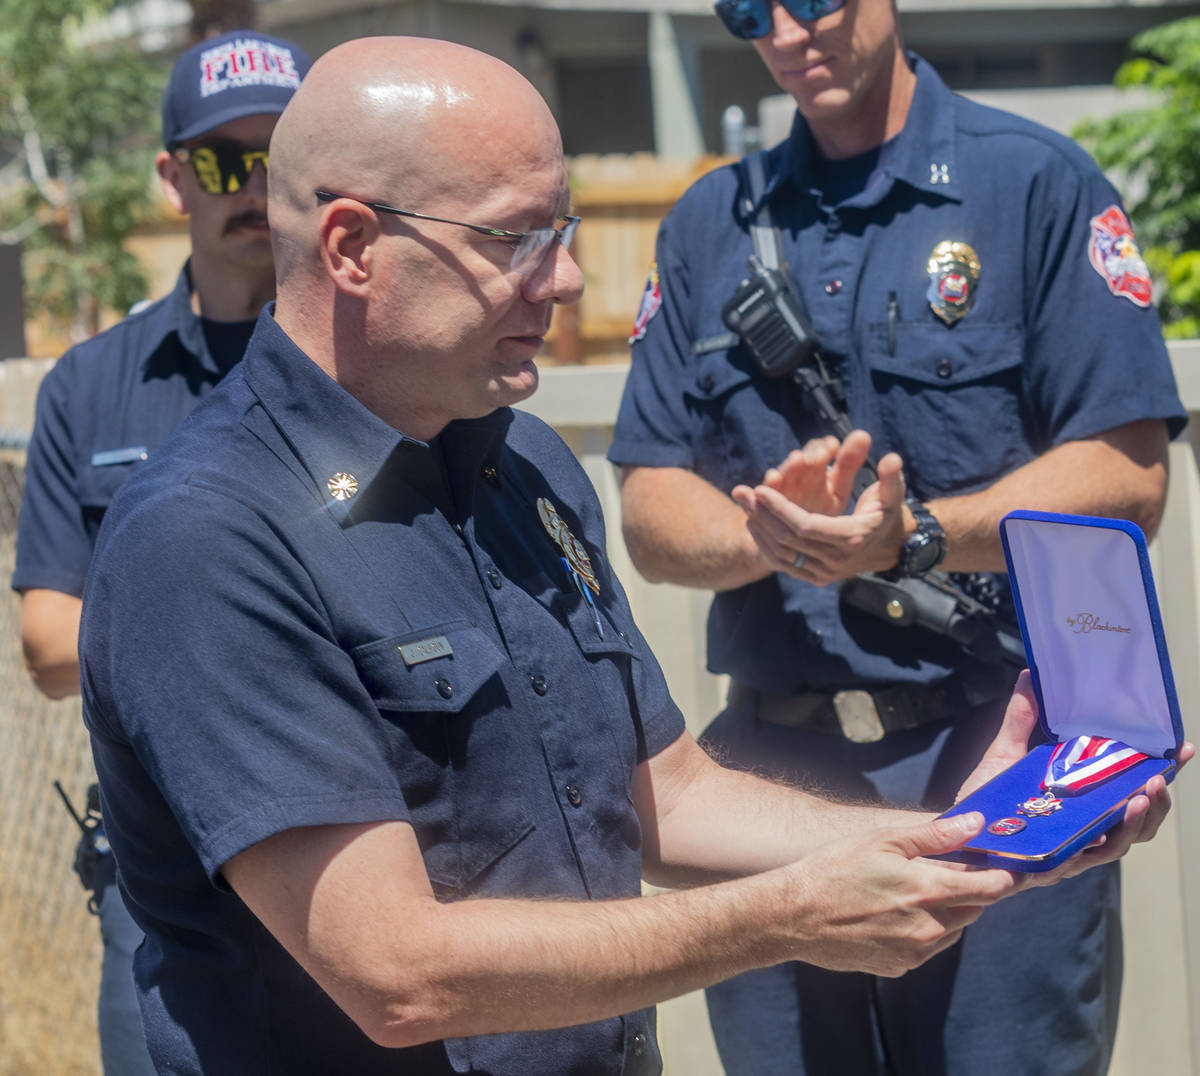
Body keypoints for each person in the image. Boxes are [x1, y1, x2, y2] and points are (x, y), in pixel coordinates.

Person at [76, 34, 1185, 1076]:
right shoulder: (209, 536)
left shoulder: (523, 463)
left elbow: (665, 796)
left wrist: (959, 838)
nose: (564, 283)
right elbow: (395, 972)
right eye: (516, 240)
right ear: (354, 247)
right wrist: (790, 915)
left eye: (558, 234)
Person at [607, 2, 1189, 1074]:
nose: (787, 30)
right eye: (748, 9)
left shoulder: (1036, 187)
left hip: (996, 755)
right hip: (770, 783)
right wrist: (784, 538)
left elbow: (1126, 475)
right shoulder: (706, 223)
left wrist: (907, 537)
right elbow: (650, 503)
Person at [12, 28, 311, 1074]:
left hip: (362, 866)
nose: (256, 187)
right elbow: (50, 642)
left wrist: (155, 620)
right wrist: (273, 616)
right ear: (171, 175)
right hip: (165, 888)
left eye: (280, 156)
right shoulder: (92, 387)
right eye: (226, 163)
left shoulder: (378, 366)